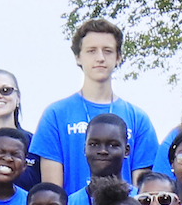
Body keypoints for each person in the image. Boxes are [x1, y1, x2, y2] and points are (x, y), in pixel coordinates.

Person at [34, 22, 161, 194]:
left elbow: (142, 191)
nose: (100, 58)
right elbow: (52, 191)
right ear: (78, 57)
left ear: (118, 57)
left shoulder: (138, 118)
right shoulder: (56, 115)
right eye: (91, 51)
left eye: (107, 51)